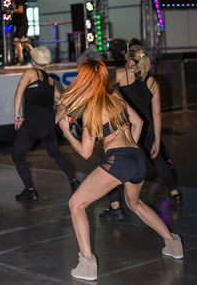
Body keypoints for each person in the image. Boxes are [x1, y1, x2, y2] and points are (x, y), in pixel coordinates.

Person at [57, 58, 184, 281]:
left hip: (120, 160)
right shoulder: (114, 95)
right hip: (137, 158)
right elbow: (138, 123)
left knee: (76, 204)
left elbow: (86, 152)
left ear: (84, 78)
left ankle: (86, 264)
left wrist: (66, 131)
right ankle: (173, 243)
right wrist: (130, 150)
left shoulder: (91, 108)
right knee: (135, 203)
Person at [100, 44, 182, 221]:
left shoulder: (122, 74)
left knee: (111, 163)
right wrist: (157, 141)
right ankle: (174, 192)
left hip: (126, 127)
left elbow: (105, 90)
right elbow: (157, 114)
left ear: (129, 60)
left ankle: (115, 206)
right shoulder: (153, 83)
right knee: (158, 159)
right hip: (148, 127)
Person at [12, 46, 80, 201]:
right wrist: (56, 119)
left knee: (17, 155)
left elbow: (18, 94)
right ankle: (74, 182)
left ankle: (30, 190)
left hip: (32, 123)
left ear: (34, 61)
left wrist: (17, 117)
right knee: (55, 153)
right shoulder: (50, 80)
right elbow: (64, 103)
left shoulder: (30, 73)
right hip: (47, 125)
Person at [5, 0, 33, 65]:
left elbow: (21, 10)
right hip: (18, 26)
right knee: (18, 42)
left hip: (22, 25)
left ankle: (35, 56)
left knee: (22, 43)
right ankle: (21, 60)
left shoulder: (19, 0)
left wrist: (11, 11)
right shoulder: (13, 2)